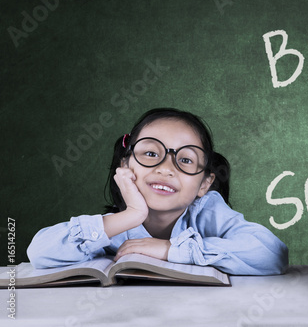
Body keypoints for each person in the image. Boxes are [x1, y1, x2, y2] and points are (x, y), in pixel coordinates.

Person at [27, 108, 288, 275]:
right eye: (151, 153)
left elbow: (271, 254)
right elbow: (39, 251)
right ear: (126, 166)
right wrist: (132, 215)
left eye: (185, 160)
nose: (166, 168)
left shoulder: (208, 210)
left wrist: (169, 249)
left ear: (204, 184)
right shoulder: (116, 228)